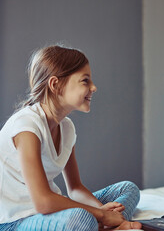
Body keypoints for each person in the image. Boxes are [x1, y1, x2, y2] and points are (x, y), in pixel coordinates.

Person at [0, 45, 142, 230]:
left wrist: (104, 212)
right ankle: (101, 225)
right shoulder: (27, 126)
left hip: (50, 212)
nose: (94, 87)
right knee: (81, 218)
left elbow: (75, 189)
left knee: (128, 189)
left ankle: (106, 226)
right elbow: (43, 201)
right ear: (55, 85)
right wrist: (101, 214)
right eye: (85, 81)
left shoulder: (66, 127)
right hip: (13, 221)